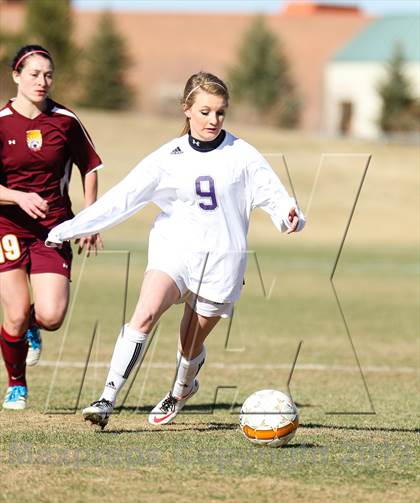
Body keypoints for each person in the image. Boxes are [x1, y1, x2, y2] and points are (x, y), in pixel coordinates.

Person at [46, 71, 305, 429]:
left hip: (222, 262)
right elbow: (121, 200)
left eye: (220, 112)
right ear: (186, 110)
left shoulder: (242, 155)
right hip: (175, 252)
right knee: (145, 313)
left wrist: (290, 216)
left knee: (189, 345)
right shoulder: (167, 158)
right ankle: (106, 398)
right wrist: (69, 229)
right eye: (204, 111)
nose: (212, 120)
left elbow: (275, 196)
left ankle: (182, 389)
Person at [0, 45, 103, 410]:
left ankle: (32, 328)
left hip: (54, 230)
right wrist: (16, 196)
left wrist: (91, 218)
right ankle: (16, 385)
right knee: (13, 311)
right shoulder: (1, 122)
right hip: (6, 228)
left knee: (51, 316)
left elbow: (89, 166)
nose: (42, 81)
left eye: (48, 75)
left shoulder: (65, 120)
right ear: (16, 75)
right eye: (34, 74)